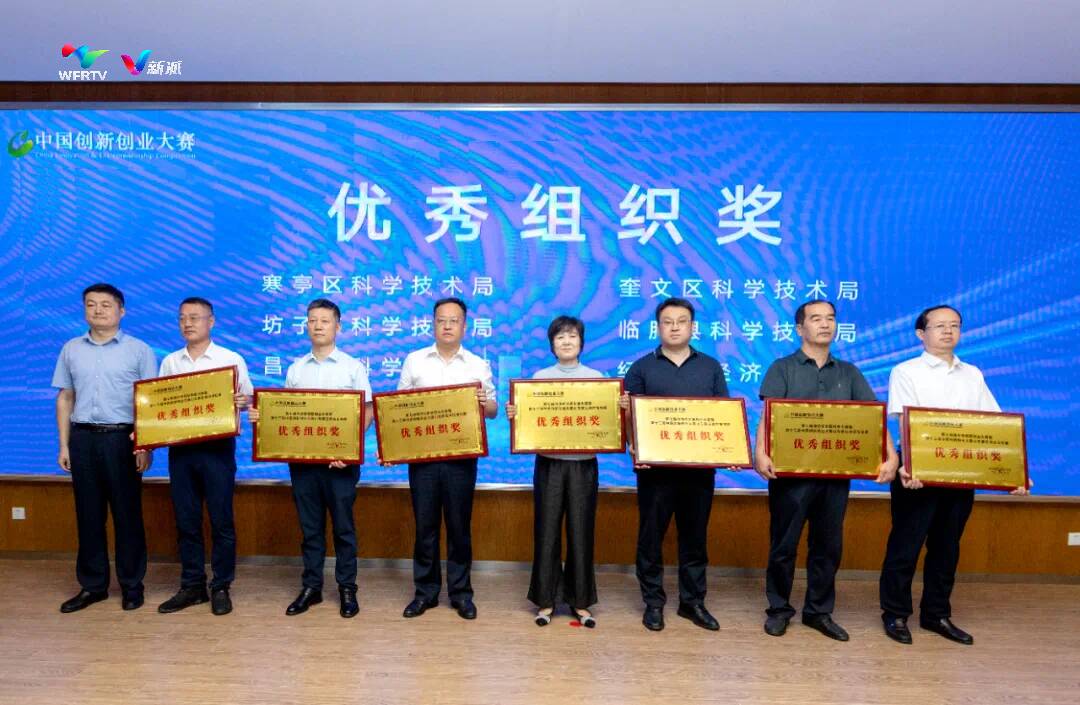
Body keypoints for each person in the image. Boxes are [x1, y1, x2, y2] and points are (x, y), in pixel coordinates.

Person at [879, 304, 1030, 645]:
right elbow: (905, 422)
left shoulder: (972, 373)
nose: (948, 331)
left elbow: (995, 425)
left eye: (955, 325)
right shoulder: (906, 370)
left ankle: (936, 615)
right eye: (940, 326)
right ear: (921, 333)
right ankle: (895, 614)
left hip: (961, 471)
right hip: (916, 473)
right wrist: (910, 465)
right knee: (905, 546)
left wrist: (1014, 472)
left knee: (947, 547)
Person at [753, 300, 898, 641]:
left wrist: (891, 457)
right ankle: (779, 609)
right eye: (816, 319)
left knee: (828, 546)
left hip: (834, 475)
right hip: (790, 476)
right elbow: (769, 416)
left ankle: (818, 612)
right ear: (799, 328)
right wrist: (759, 453)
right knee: (783, 546)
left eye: (830, 318)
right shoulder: (782, 368)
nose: (824, 324)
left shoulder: (849, 372)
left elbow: (872, 419)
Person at [250, 298, 372, 618]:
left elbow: (367, 412)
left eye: (325, 321)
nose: (318, 326)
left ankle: (347, 588)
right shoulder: (296, 368)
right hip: (304, 464)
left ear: (338, 327)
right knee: (310, 528)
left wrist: (349, 449)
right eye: (312, 320)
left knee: (343, 528)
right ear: (306, 325)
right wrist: (263, 417)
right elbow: (286, 413)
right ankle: (312, 587)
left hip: (341, 464)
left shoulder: (352, 367)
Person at [621, 297, 728, 632]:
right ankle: (653, 603)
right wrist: (634, 444)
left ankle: (692, 602)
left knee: (695, 538)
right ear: (658, 327)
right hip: (656, 472)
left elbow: (723, 416)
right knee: (650, 538)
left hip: (699, 471)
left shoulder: (710, 367)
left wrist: (729, 451)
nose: (675, 327)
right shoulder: (641, 368)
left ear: (692, 327)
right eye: (667, 322)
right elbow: (630, 419)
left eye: (682, 321)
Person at [52, 283, 157, 613]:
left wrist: (146, 445)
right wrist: (64, 445)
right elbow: (65, 397)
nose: (97, 310)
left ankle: (132, 585)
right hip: (82, 438)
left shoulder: (139, 350)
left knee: (127, 515)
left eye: (105, 305)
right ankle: (93, 585)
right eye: (91, 304)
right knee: (88, 514)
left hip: (122, 439)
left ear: (121, 311)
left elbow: (150, 402)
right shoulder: (71, 349)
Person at [396, 297, 497, 621]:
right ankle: (425, 593)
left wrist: (483, 401)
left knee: (458, 527)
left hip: (461, 459)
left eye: (454, 320)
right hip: (423, 458)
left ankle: (461, 594)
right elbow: (398, 406)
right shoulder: (415, 361)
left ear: (465, 326)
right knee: (424, 527)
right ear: (433, 324)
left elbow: (493, 410)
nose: (448, 326)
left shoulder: (477, 364)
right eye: (441, 320)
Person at [155, 297, 253, 617]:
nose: (187, 323)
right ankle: (192, 585)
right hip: (181, 450)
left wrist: (242, 401)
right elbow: (159, 405)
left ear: (211, 321)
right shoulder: (171, 362)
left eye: (195, 317)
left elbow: (249, 400)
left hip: (217, 449)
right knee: (187, 520)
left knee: (221, 521)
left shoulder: (230, 359)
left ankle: (221, 585)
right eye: (182, 317)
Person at [505, 316, 601, 628]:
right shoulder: (540, 378)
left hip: (583, 464)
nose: (566, 341)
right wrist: (516, 414)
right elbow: (530, 422)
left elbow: (604, 422)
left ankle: (580, 601)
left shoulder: (597, 379)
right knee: (546, 531)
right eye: (560, 337)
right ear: (552, 344)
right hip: (549, 463)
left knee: (581, 531)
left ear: (581, 342)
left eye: (572, 336)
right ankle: (545, 600)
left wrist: (619, 409)